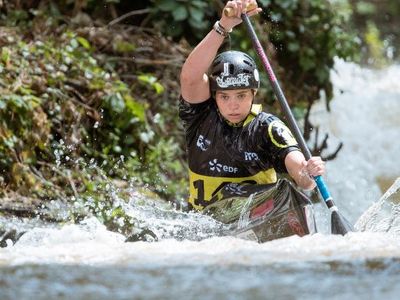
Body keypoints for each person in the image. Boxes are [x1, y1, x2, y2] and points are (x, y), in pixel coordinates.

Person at [179, 0, 325, 211]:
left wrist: (308, 172)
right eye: (224, 97)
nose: (233, 105)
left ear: (253, 93)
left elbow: (301, 174)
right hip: (205, 222)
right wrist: (223, 26)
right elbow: (190, 77)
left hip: (256, 215)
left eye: (241, 95)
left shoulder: (268, 128)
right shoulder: (201, 116)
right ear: (214, 95)